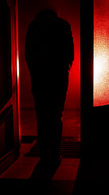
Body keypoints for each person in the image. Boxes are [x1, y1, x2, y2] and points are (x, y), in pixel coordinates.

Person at [25, 9, 74, 171]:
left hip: (39, 77)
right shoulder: (63, 25)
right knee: (56, 115)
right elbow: (70, 54)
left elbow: (28, 54)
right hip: (59, 76)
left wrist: (35, 70)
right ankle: (55, 154)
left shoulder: (34, 26)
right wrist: (64, 66)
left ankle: (44, 155)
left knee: (42, 116)